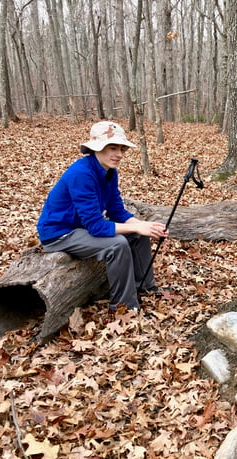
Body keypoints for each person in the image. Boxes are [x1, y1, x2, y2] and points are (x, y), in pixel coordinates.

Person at [36, 121, 168, 314]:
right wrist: (136, 227)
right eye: (112, 148)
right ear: (96, 148)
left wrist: (145, 226)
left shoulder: (109, 172)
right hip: (60, 234)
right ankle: (124, 307)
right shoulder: (81, 174)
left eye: (122, 149)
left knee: (139, 235)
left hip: (81, 228)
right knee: (118, 244)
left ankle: (145, 287)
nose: (119, 154)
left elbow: (117, 212)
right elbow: (96, 227)